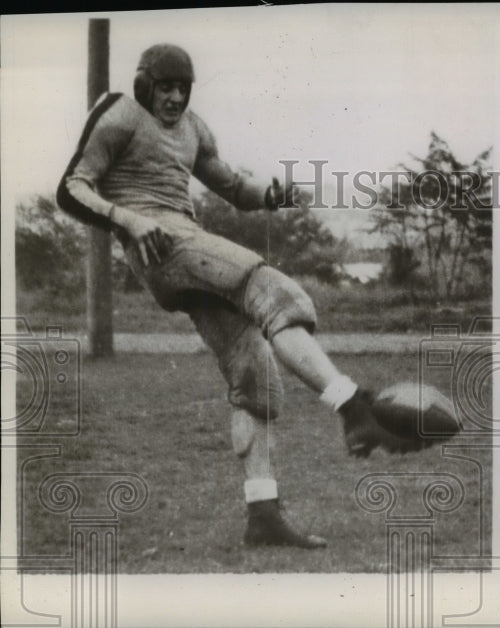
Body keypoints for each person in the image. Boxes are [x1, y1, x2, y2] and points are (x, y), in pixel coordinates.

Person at [57, 43, 432, 549]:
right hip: (162, 245)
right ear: (145, 84)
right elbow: (72, 187)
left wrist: (271, 194)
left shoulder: (193, 127)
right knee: (279, 293)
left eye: (181, 88)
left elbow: (230, 185)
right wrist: (129, 219)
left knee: (255, 373)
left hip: (184, 245)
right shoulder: (121, 112)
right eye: (164, 87)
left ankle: (263, 515)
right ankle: (353, 409)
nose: (173, 97)